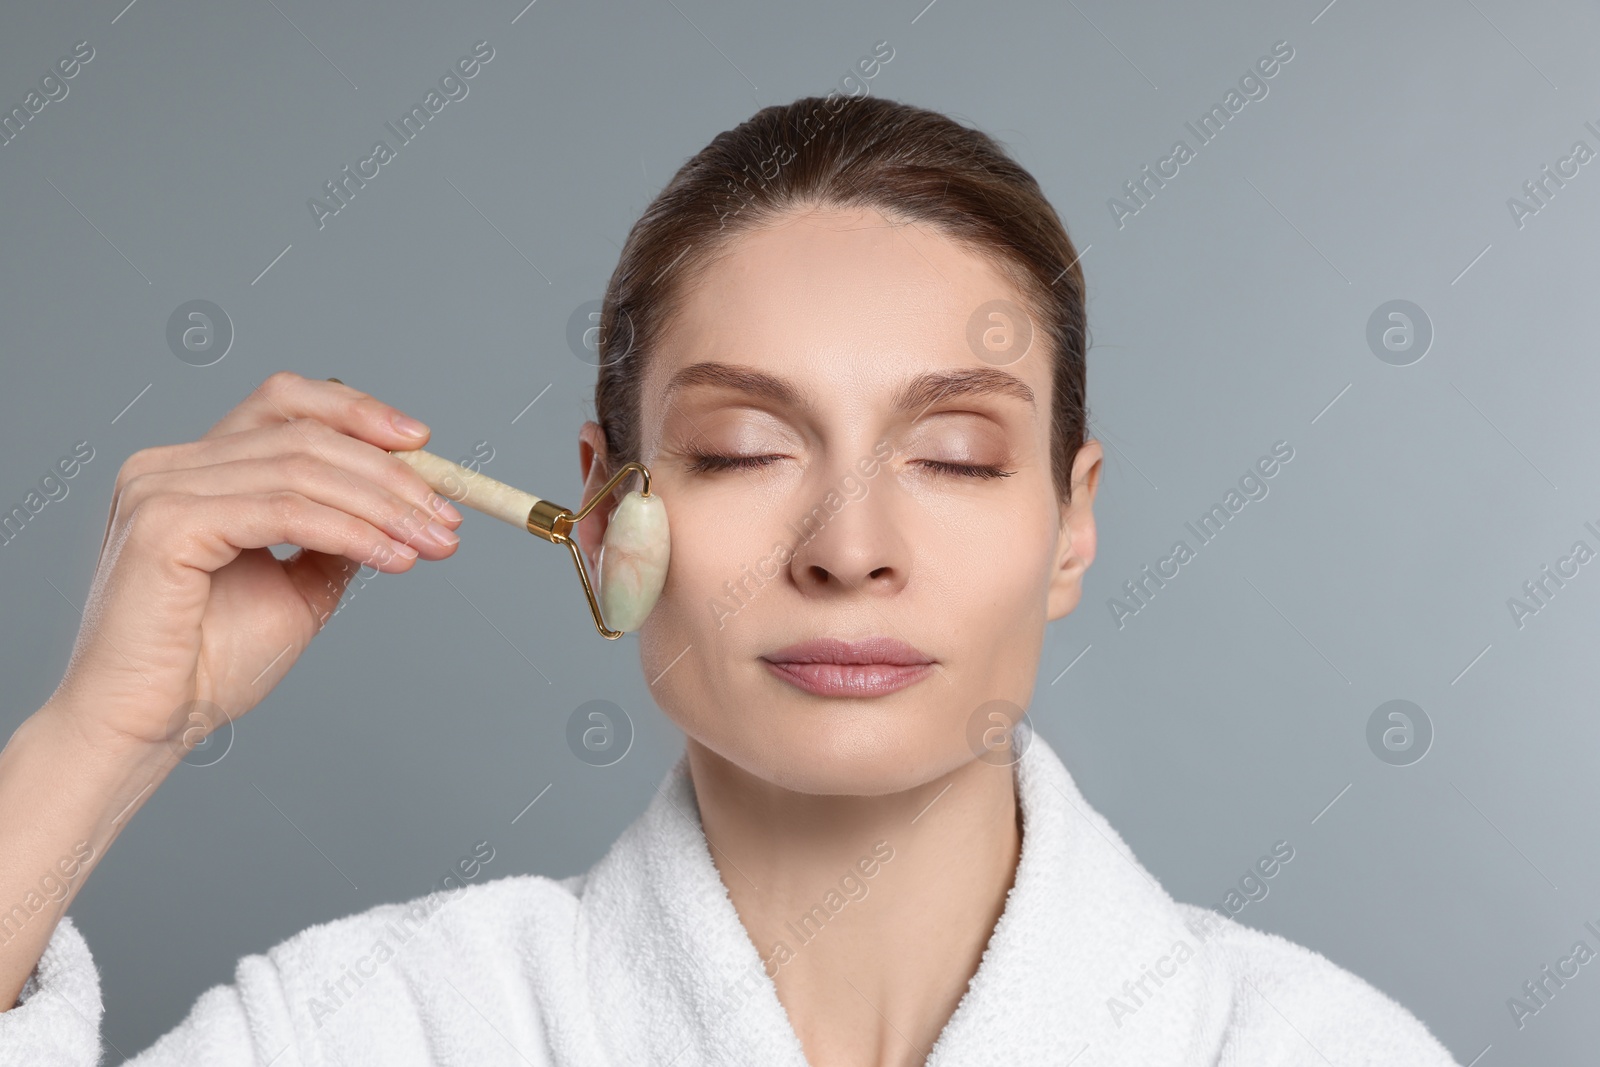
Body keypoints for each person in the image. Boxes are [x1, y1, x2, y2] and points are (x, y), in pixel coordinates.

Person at [0, 95, 1458, 1066]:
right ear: (597, 515)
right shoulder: (381, 1028)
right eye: (746, 447)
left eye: (953, 456)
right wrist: (97, 744)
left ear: (1070, 527)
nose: (848, 545)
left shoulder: (1309, 1048)